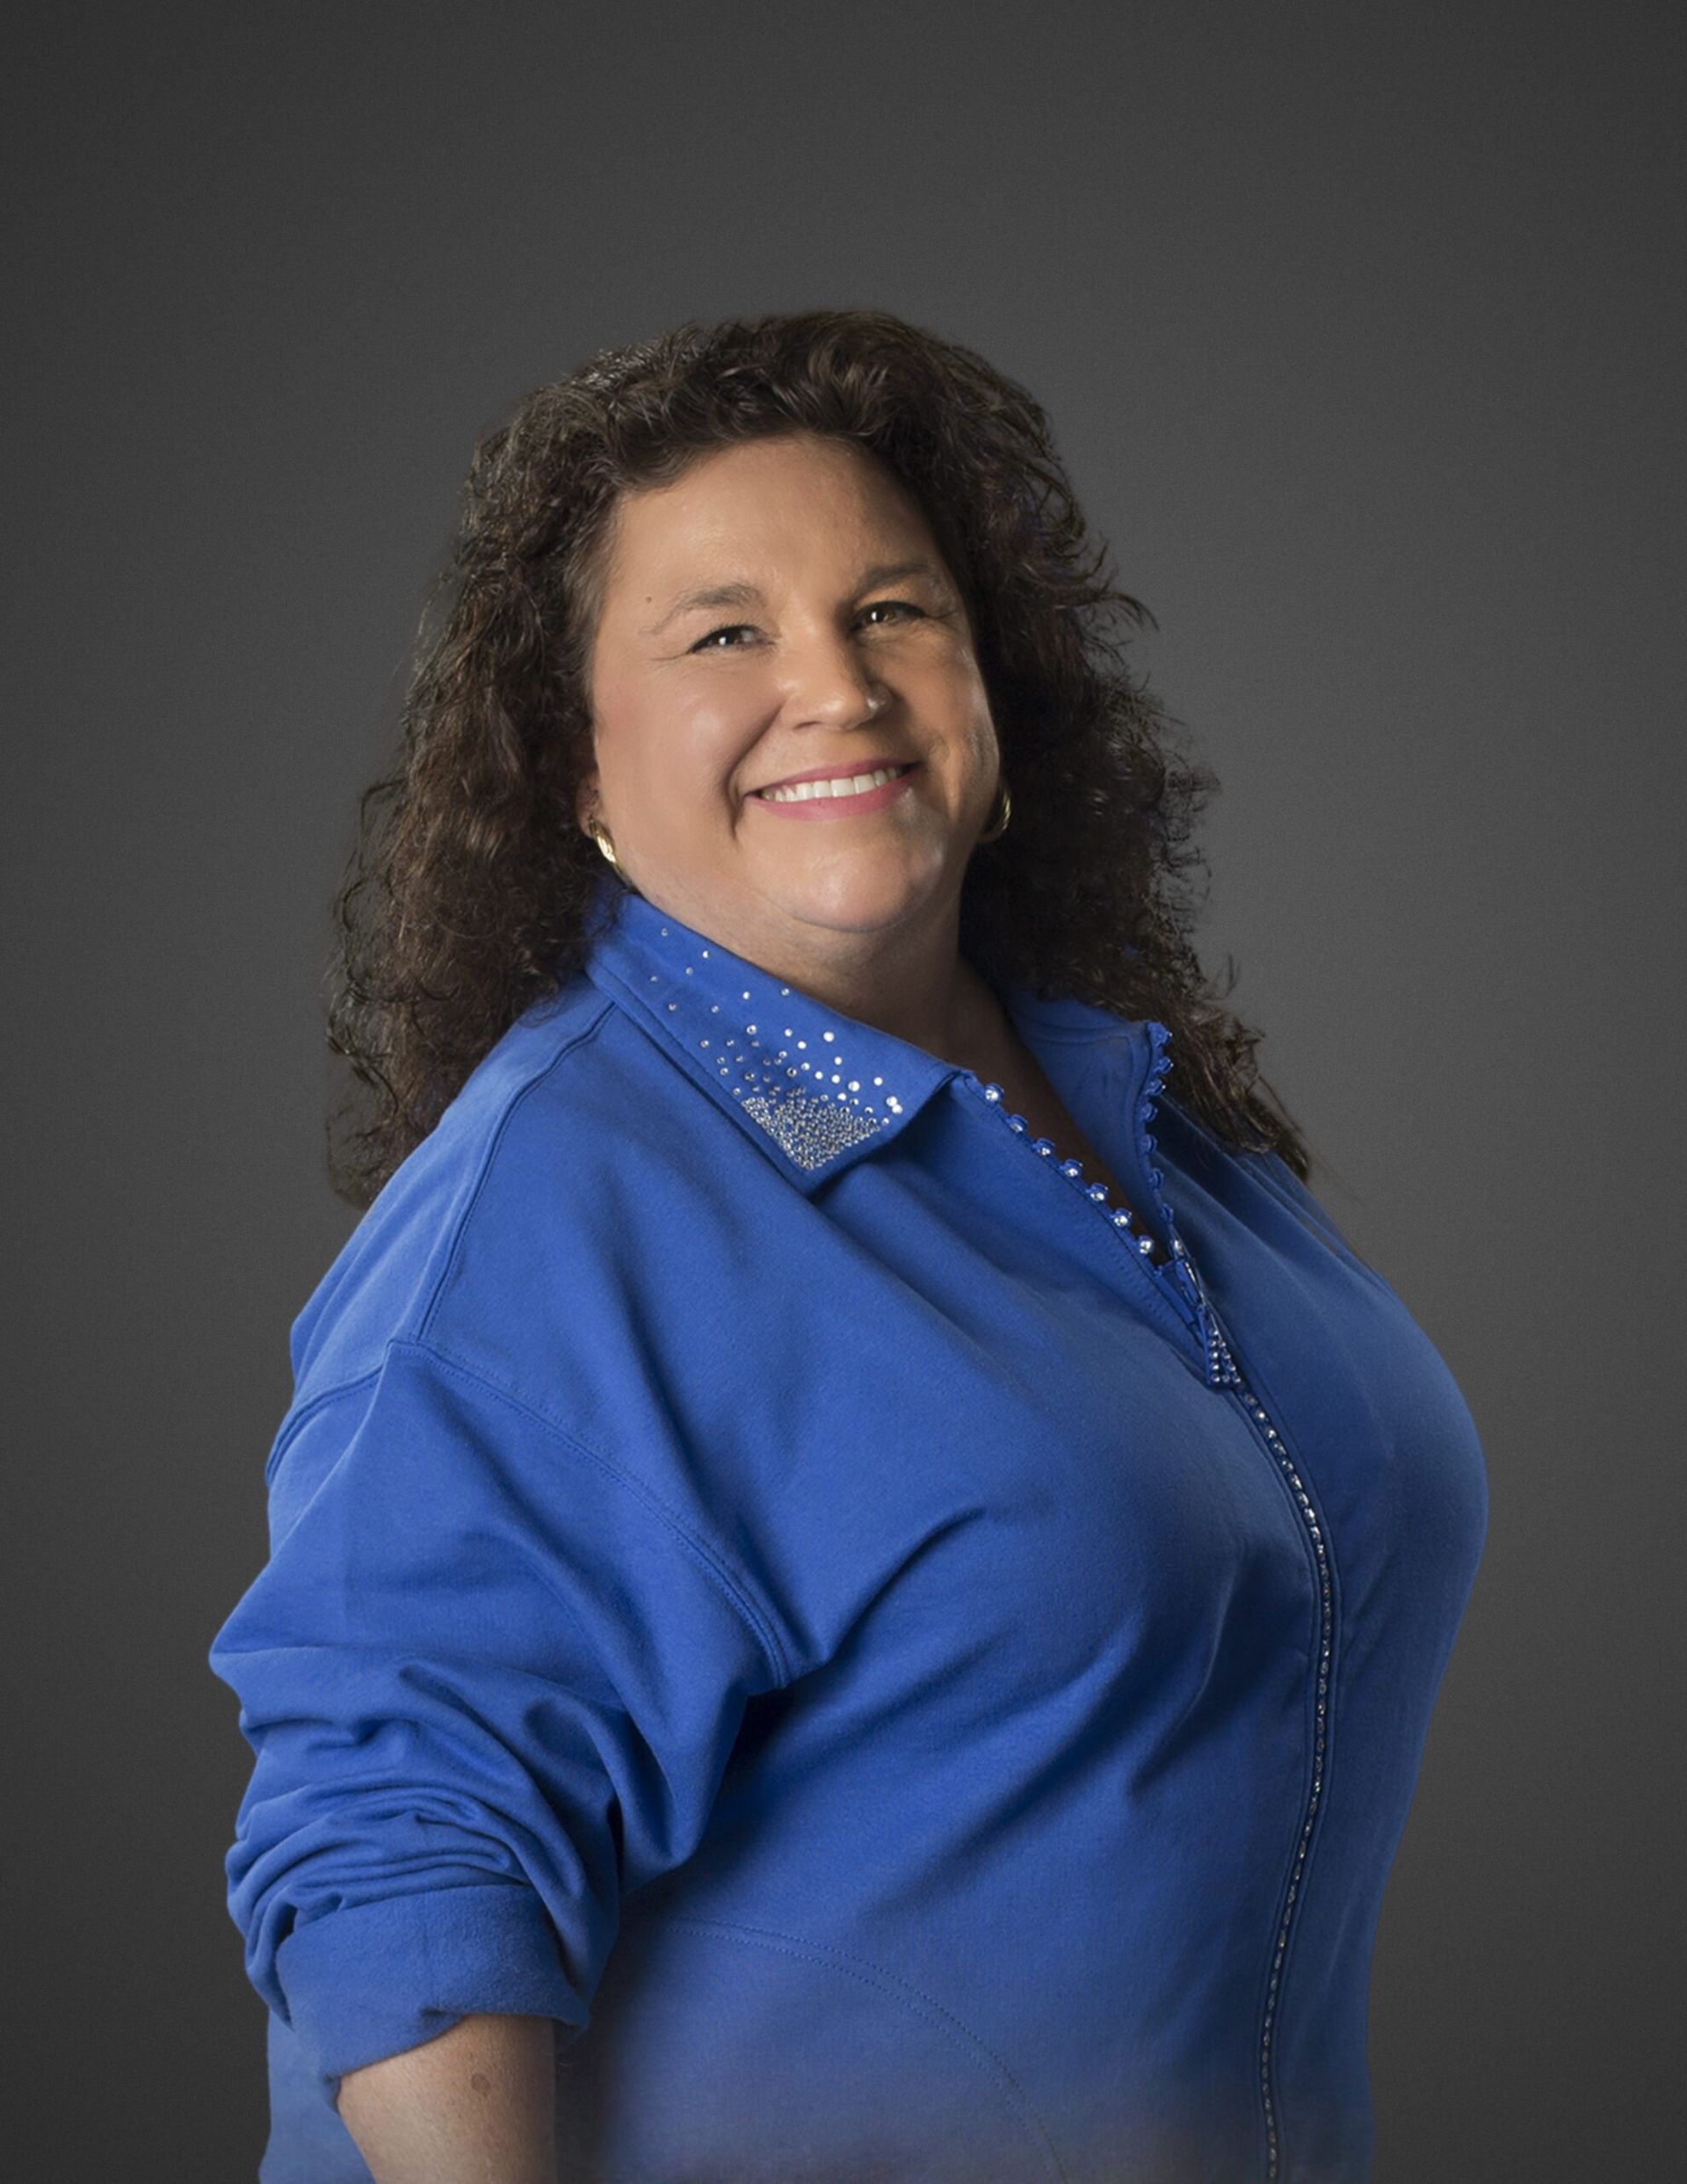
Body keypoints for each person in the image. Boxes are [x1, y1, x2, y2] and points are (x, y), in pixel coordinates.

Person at [207, 307, 1489, 2184]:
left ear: (992, 689)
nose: (838, 685)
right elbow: (400, 1855)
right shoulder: (567, 1196)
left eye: (893, 611)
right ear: (576, 769)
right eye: (727, 633)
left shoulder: (1136, 1120)